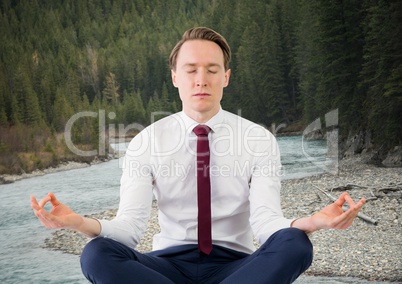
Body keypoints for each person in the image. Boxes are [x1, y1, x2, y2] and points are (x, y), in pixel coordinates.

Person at [31, 27, 366, 284]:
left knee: (296, 243)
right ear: (175, 77)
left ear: (226, 77)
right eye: (190, 69)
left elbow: (266, 224)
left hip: (236, 267)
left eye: (211, 69)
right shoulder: (146, 142)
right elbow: (130, 229)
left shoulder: (258, 139)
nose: (201, 79)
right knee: (96, 253)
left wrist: (315, 222)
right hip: (165, 266)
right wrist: (78, 223)